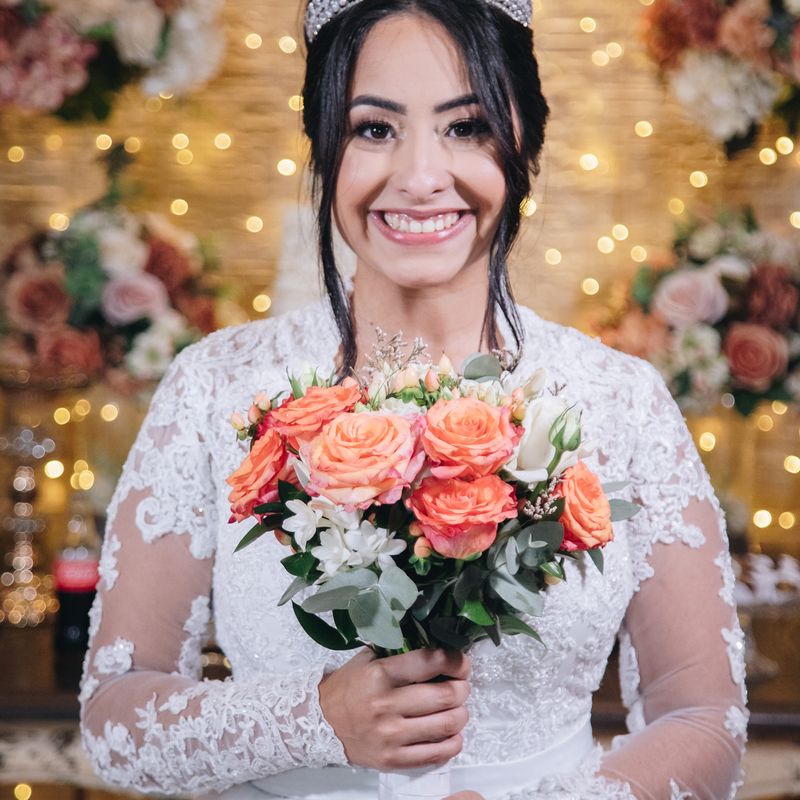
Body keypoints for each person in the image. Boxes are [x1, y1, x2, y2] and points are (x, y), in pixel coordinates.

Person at [79, 1, 748, 798]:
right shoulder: (215, 387)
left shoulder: (620, 400)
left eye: (466, 127)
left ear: (525, 140)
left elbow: (702, 718)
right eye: (375, 129)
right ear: (324, 145)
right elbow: (115, 721)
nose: (422, 177)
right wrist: (316, 717)